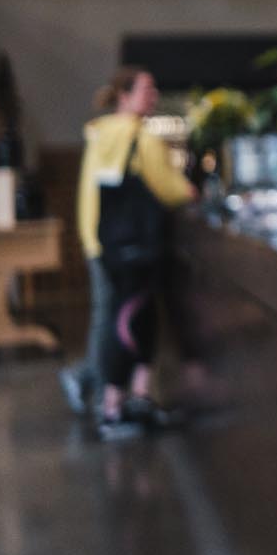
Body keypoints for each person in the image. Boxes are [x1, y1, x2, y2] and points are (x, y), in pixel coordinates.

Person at [64, 67, 197, 440]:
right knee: (126, 319)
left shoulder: (101, 134)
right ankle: (110, 405)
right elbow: (173, 190)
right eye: (146, 89)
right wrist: (190, 192)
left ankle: (113, 395)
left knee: (110, 316)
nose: (153, 95)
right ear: (124, 95)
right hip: (134, 247)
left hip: (100, 239)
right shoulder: (141, 138)